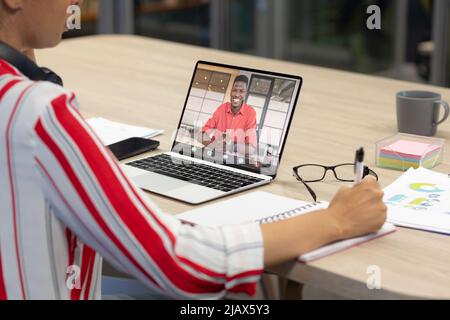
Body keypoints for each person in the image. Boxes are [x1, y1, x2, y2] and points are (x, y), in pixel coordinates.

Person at [0, 0, 387, 300]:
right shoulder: (39, 113)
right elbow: (177, 261)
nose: (77, 3)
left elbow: (232, 140)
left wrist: (23, 45)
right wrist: (337, 220)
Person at [201, 75, 257, 157]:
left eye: (241, 91)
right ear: (231, 91)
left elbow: (251, 149)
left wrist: (230, 146)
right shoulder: (222, 108)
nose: (237, 94)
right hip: (213, 155)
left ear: (245, 94)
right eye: (234, 90)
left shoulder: (250, 112)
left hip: (233, 160)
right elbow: (201, 134)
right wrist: (214, 145)